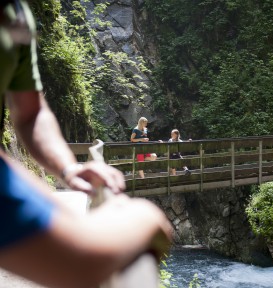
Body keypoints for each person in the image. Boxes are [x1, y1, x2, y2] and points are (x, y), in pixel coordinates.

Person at [0, 1, 172, 287]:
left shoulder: (17, 15)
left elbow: (31, 112)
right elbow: (82, 264)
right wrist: (147, 218)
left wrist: (69, 167)